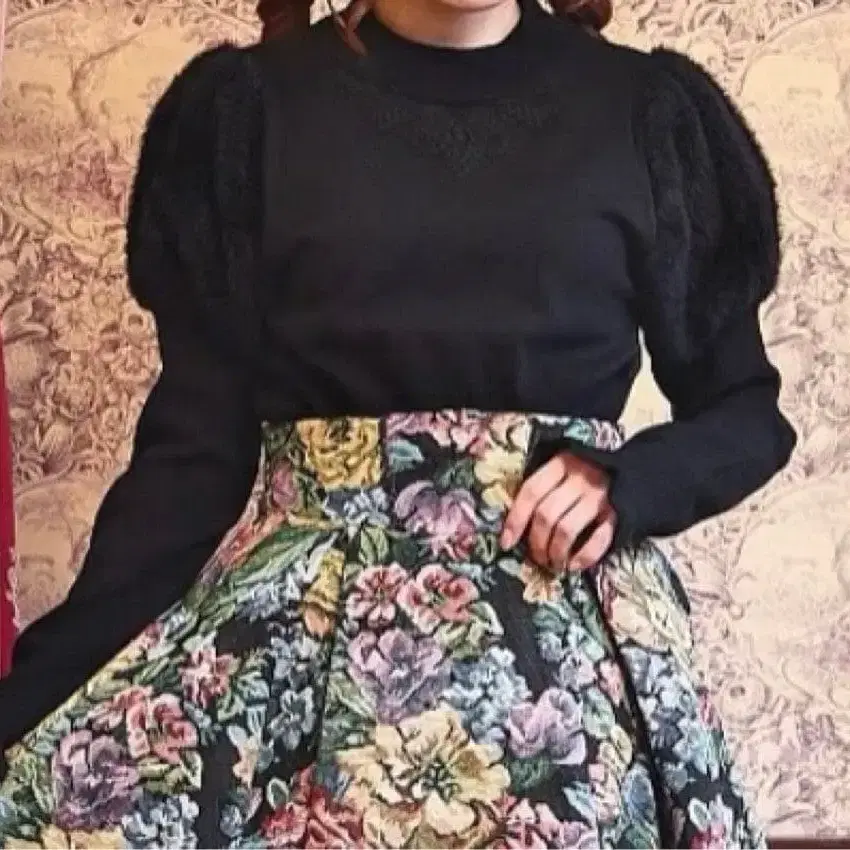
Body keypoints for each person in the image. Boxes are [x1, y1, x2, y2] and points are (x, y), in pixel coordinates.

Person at [0, 0, 796, 846]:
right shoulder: (246, 113)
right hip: (300, 662)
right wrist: (32, 701)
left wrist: (628, 483)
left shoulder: (646, 112)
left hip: (568, 676)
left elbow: (746, 412)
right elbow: (189, 466)